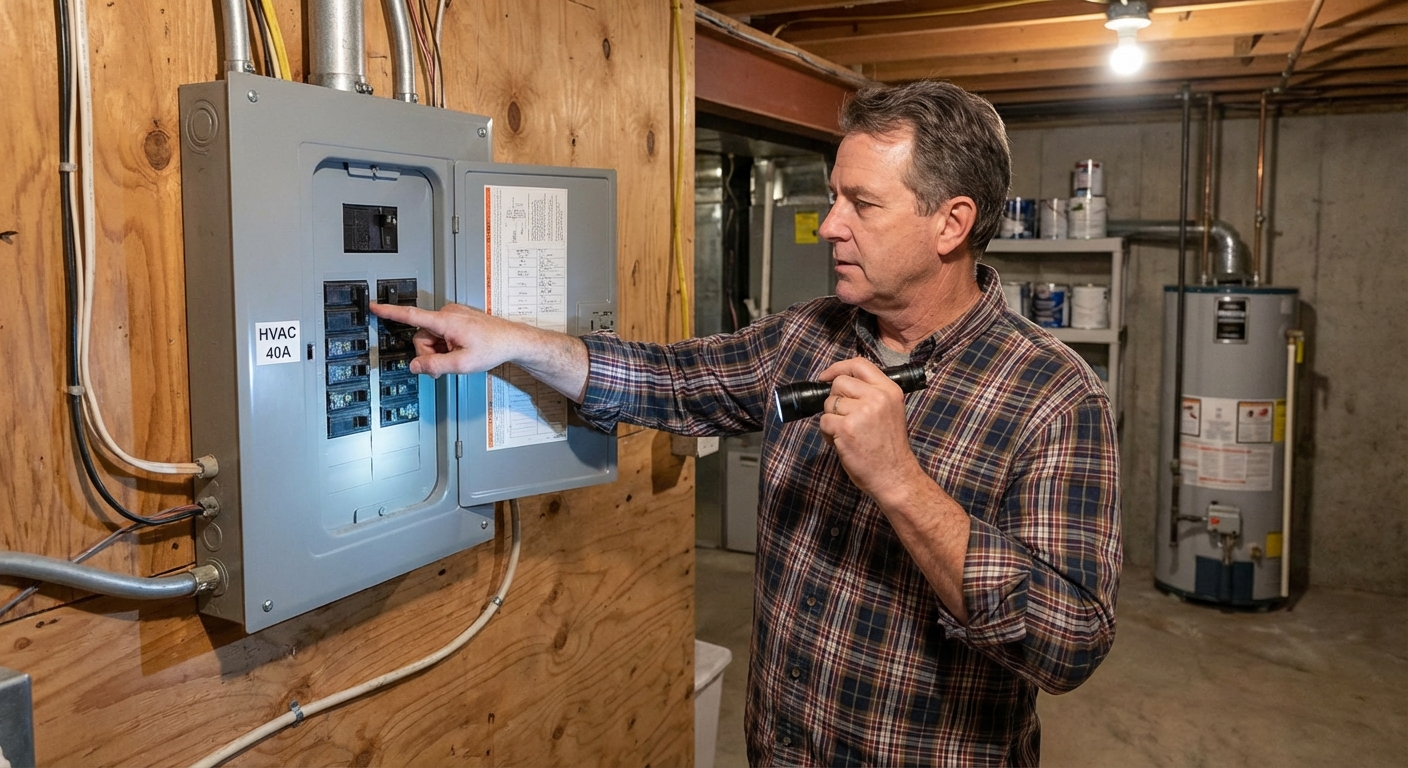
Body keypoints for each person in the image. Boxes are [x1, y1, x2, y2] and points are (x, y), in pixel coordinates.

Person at [371, 80, 1121, 767]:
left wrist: (899, 481)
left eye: (862, 203)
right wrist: (512, 342)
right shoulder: (808, 336)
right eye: (833, 197)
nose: (829, 225)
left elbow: (1069, 642)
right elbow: (669, 379)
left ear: (950, 223)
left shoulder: (1054, 396)